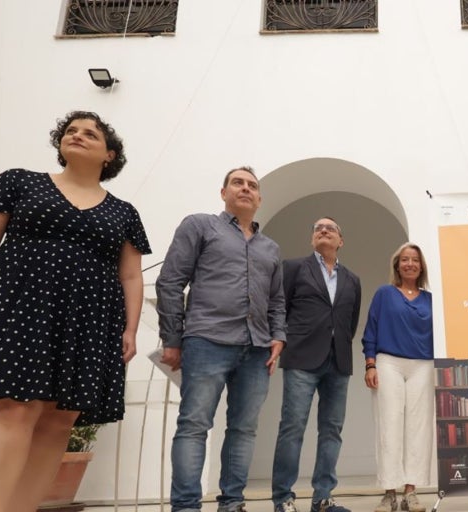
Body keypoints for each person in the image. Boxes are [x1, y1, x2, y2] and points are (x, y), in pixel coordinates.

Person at [0, 111, 150, 512]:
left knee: (58, 419)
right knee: (12, 408)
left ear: (110, 154)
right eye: (71, 131)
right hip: (15, 307)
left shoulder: (124, 212)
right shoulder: (20, 182)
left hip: (87, 321)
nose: (78, 136)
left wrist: (130, 329)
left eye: (91, 133)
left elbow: (131, 277)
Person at [156, 166, 286, 512]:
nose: (245, 189)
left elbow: (277, 300)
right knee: (194, 425)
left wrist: (278, 337)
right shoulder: (199, 225)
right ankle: (185, 507)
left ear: (259, 198)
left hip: (257, 350)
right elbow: (170, 281)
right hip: (206, 340)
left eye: (252, 185)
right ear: (224, 192)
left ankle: (232, 503)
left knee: (244, 430)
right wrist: (172, 338)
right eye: (237, 183)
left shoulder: (270, 248)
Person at [271, 217, 361, 512]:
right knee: (292, 428)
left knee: (332, 430)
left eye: (331, 228)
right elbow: (279, 310)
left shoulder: (352, 279)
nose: (324, 230)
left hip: (339, 363)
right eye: (318, 228)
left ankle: (323, 498)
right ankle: (283, 498)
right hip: (301, 359)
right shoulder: (295, 268)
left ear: (341, 241)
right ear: (313, 240)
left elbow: (351, 322)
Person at [362, 243, 434, 512]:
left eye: (415, 260)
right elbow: (371, 330)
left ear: (421, 266)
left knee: (418, 428)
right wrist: (370, 364)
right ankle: (389, 492)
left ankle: (411, 493)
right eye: (405, 259)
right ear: (397, 265)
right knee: (389, 425)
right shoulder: (385, 294)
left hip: (423, 366)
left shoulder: (430, 300)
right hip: (388, 362)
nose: (410, 264)